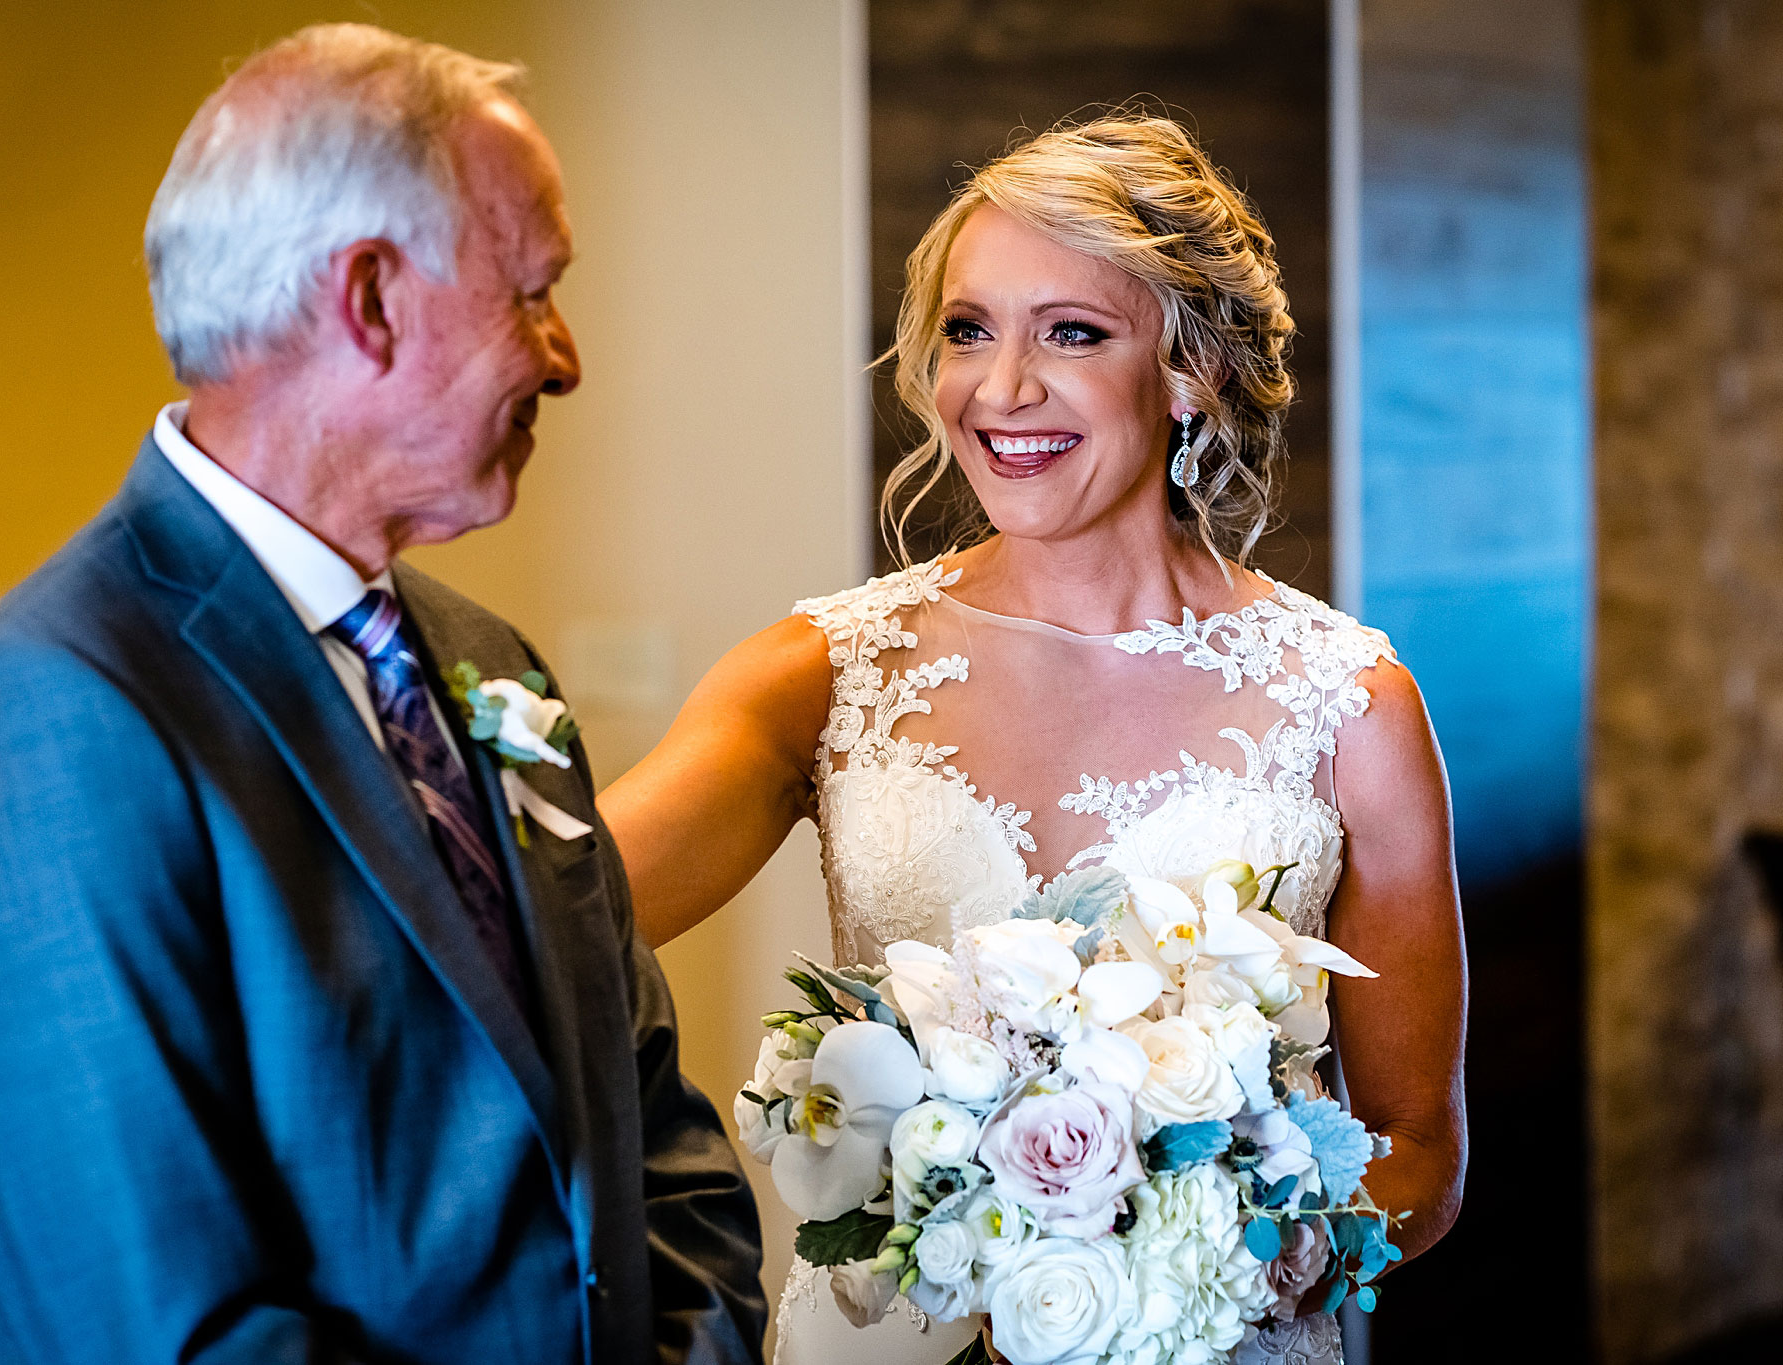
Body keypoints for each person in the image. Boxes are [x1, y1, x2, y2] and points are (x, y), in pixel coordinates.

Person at [0, 25, 764, 1364]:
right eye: (532, 291)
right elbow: (144, 1329)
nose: (565, 355)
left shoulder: (492, 664)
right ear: (370, 296)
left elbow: (651, 1134)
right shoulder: (55, 708)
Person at [601, 115, 1466, 1365]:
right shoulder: (822, 674)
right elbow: (546, 931)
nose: (999, 390)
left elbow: (1415, 1156)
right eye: (967, 329)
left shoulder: (1347, 706)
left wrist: (1185, 1265)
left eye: (1070, 332)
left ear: (1189, 372)